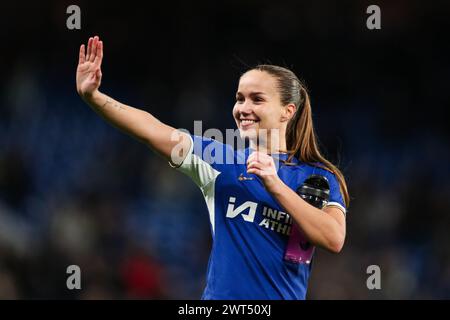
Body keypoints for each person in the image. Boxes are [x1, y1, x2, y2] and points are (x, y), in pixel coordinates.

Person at [76, 36, 350, 299]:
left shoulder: (318, 177)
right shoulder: (220, 160)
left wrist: (275, 185)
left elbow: (333, 238)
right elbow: (152, 129)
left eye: (257, 99)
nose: (243, 107)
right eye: (239, 98)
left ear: (287, 111)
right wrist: (95, 98)